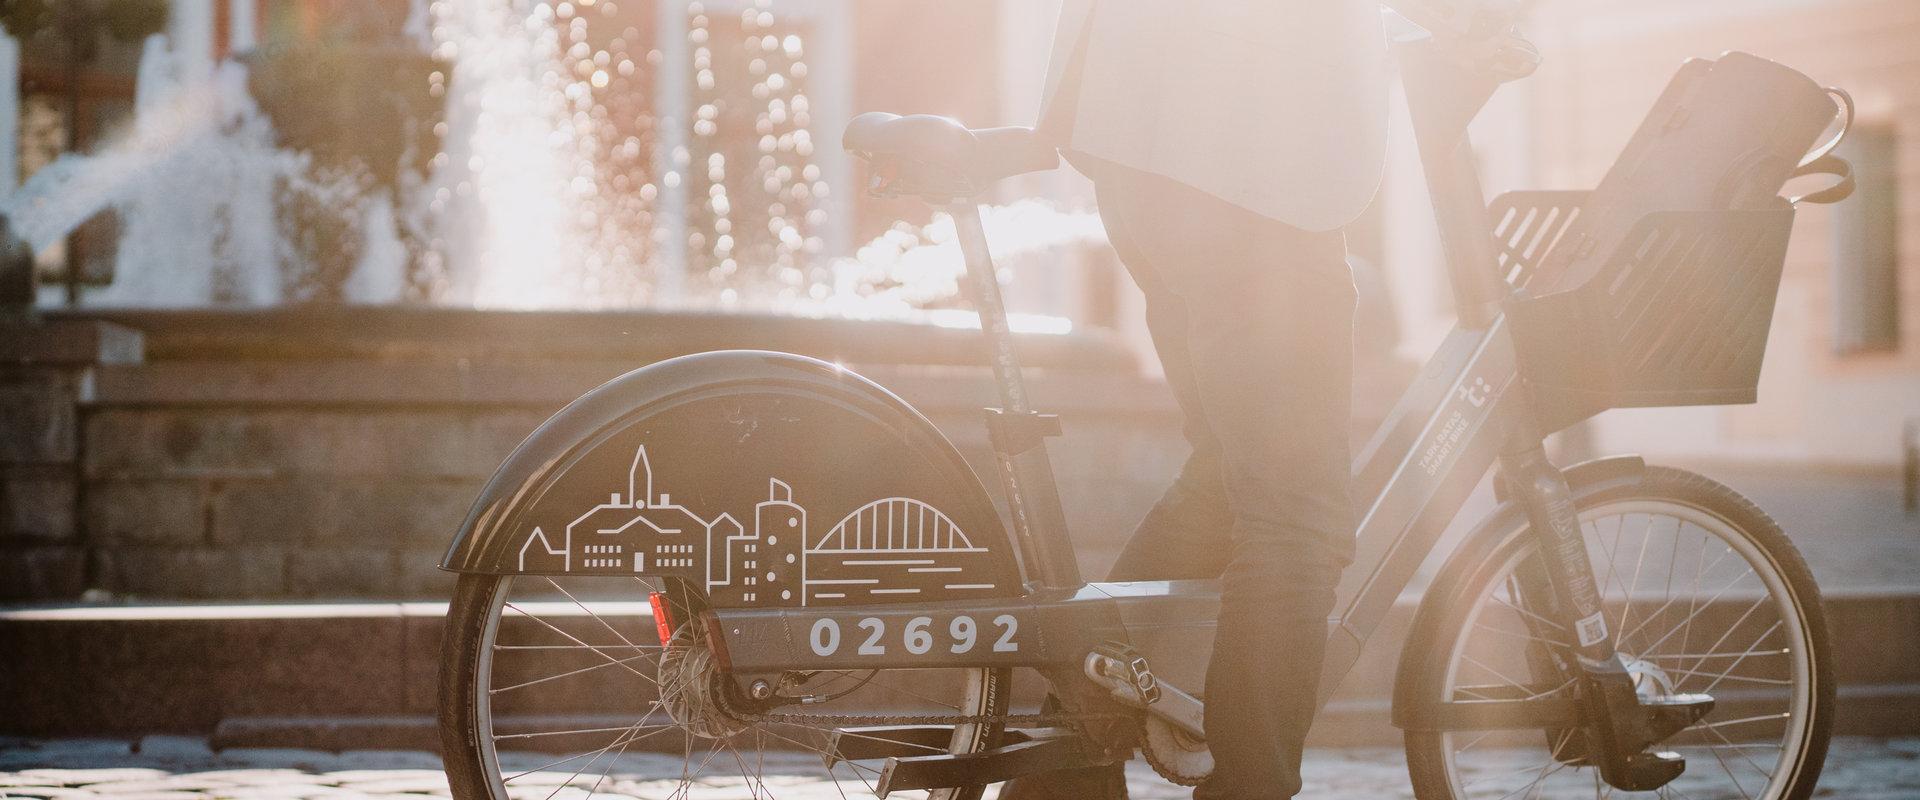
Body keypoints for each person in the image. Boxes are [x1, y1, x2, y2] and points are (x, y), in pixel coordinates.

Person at [1000, 1, 1498, 798]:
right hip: (1246, 154)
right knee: (1295, 517)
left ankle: (1064, 774)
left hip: (1144, 138)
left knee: (1232, 482)